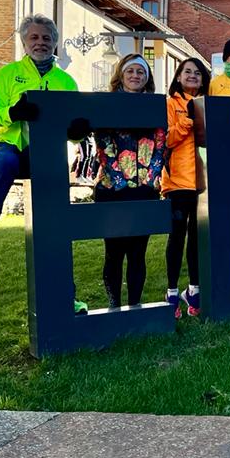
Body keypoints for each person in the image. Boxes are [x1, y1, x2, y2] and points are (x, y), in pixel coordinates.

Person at [0, 14, 86, 315]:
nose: (40, 43)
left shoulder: (66, 81)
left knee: (55, 229)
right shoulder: (7, 75)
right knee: (2, 164)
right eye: (34, 38)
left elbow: (75, 126)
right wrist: (12, 112)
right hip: (13, 146)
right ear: (24, 41)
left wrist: (77, 134)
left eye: (46, 38)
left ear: (54, 43)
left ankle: (68, 297)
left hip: (47, 154)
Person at [69, 54, 165, 309]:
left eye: (141, 72)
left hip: (144, 190)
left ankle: (134, 304)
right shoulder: (106, 104)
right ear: (120, 75)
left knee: (138, 253)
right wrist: (120, 180)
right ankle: (114, 304)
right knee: (114, 251)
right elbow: (103, 143)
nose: (135, 75)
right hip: (112, 190)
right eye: (130, 71)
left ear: (147, 78)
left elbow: (159, 145)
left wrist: (148, 179)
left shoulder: (154, 106)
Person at [162, 57, 211, 318]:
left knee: (197, 238)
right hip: (177, 183)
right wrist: (188, 120)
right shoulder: (170, 104)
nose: (192, 76)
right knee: (177, 236)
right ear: (178, 77)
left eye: (198, 73)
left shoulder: (207, 106)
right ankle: (171, 291)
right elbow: (166, 140)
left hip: (202, 183)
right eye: (187, 72)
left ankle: (193, 289)